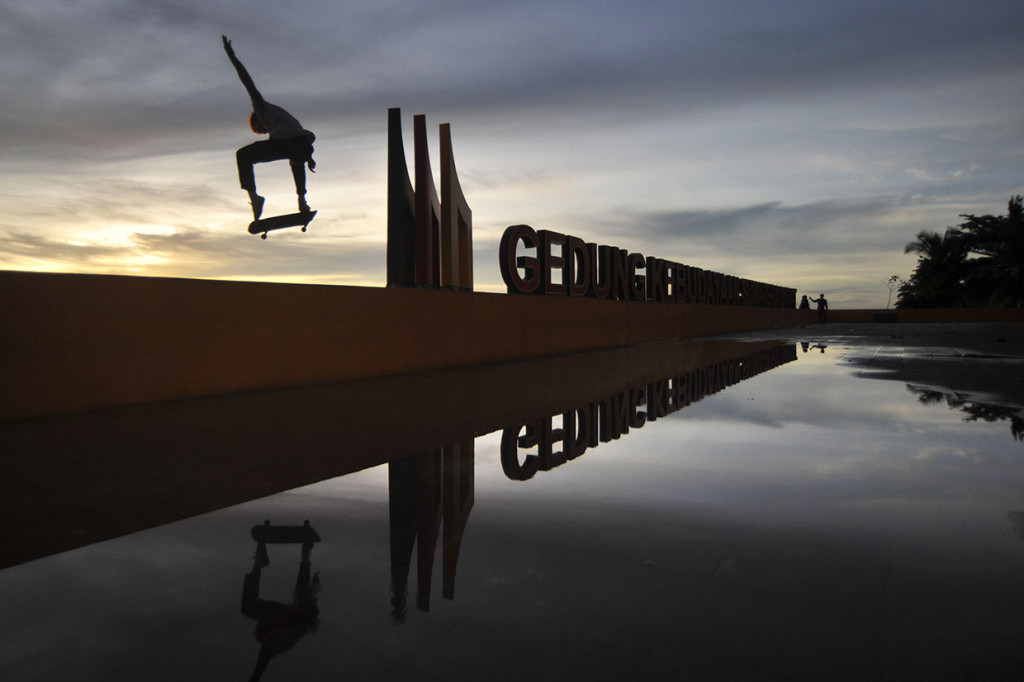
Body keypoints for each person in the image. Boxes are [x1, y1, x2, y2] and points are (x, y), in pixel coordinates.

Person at [223, 35, 315, 219]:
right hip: (302, 145)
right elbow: (299, 139)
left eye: (261, 129)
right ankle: (302, 201)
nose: (264, 131)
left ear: (257, 119)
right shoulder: (283, 115)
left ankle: (254, 198)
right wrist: (309, 157)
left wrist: (231, 56)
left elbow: (247, 81)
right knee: (296, 161)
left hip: (294, 144)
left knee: (243, 155)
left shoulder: (261, 107)